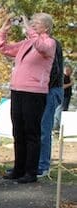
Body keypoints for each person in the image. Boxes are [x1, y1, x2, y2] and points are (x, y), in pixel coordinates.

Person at [0, 13, 56, 184]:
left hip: (35, 93)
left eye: (36, 23)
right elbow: (4, 49)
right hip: (17, 91)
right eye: (32, 22)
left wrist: (27, 27)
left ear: (46, 27)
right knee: (18, 131)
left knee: (32, 132)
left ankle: (31, 172)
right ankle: (19, 169)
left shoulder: (49, 43)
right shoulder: (27, 43)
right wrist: (3, 31)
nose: (32, 24)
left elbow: (41, 47)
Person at [38, 38, 64, 177]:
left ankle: (43, 165)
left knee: (44, 128)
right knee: (34, 128)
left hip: (50, 89)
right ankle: (32, 163)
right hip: (39, 90)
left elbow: (55, 69)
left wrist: (43, 87)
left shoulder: (51, 43)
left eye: (36, 24)